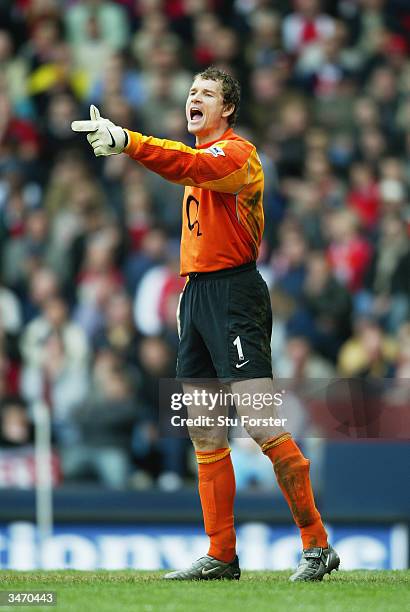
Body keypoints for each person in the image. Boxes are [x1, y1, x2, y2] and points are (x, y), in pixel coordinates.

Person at [72, 66, 340, 582]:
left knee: (261, 423)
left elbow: (183, 163)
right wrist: (188, 297)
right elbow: (189, 177)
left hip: (236, 294)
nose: (195, 97)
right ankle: (221, 554)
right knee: (204, 428)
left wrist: (127, 140)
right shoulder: (200, 165)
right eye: (192, 91)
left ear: (228, 109)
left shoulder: (238, 156)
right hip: (198, 295)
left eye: (207, 93)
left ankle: (316, 544)